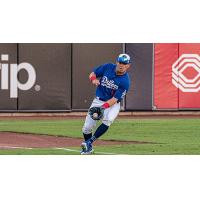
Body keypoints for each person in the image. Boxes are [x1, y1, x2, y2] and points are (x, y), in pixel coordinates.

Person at [80, 53, 131, 154]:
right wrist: (93, 79)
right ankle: (88, 147)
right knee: (86, 128)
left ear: (128, 66)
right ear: (117, 62)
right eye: (120, 62)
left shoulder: (125, 81)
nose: (122, 65)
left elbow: (115, 99)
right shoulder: (107, 67)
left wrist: (102, 108)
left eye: (125, 63)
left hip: (113, 104)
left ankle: (89, 142)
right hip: (98, 100)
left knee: (107, 120)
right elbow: (93, 73)